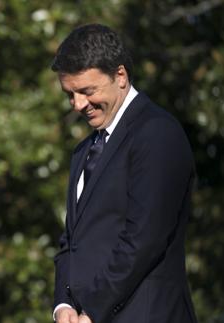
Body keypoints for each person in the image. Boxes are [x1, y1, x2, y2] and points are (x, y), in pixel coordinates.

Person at [50, 24, 198, 323]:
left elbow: (144, 239)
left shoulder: (157, 133)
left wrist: (93, 309)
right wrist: (63, 304)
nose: (78, 104)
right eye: (70, 94)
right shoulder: (83, 150)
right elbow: (72, 240)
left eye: (87, 91)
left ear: (120, 76)